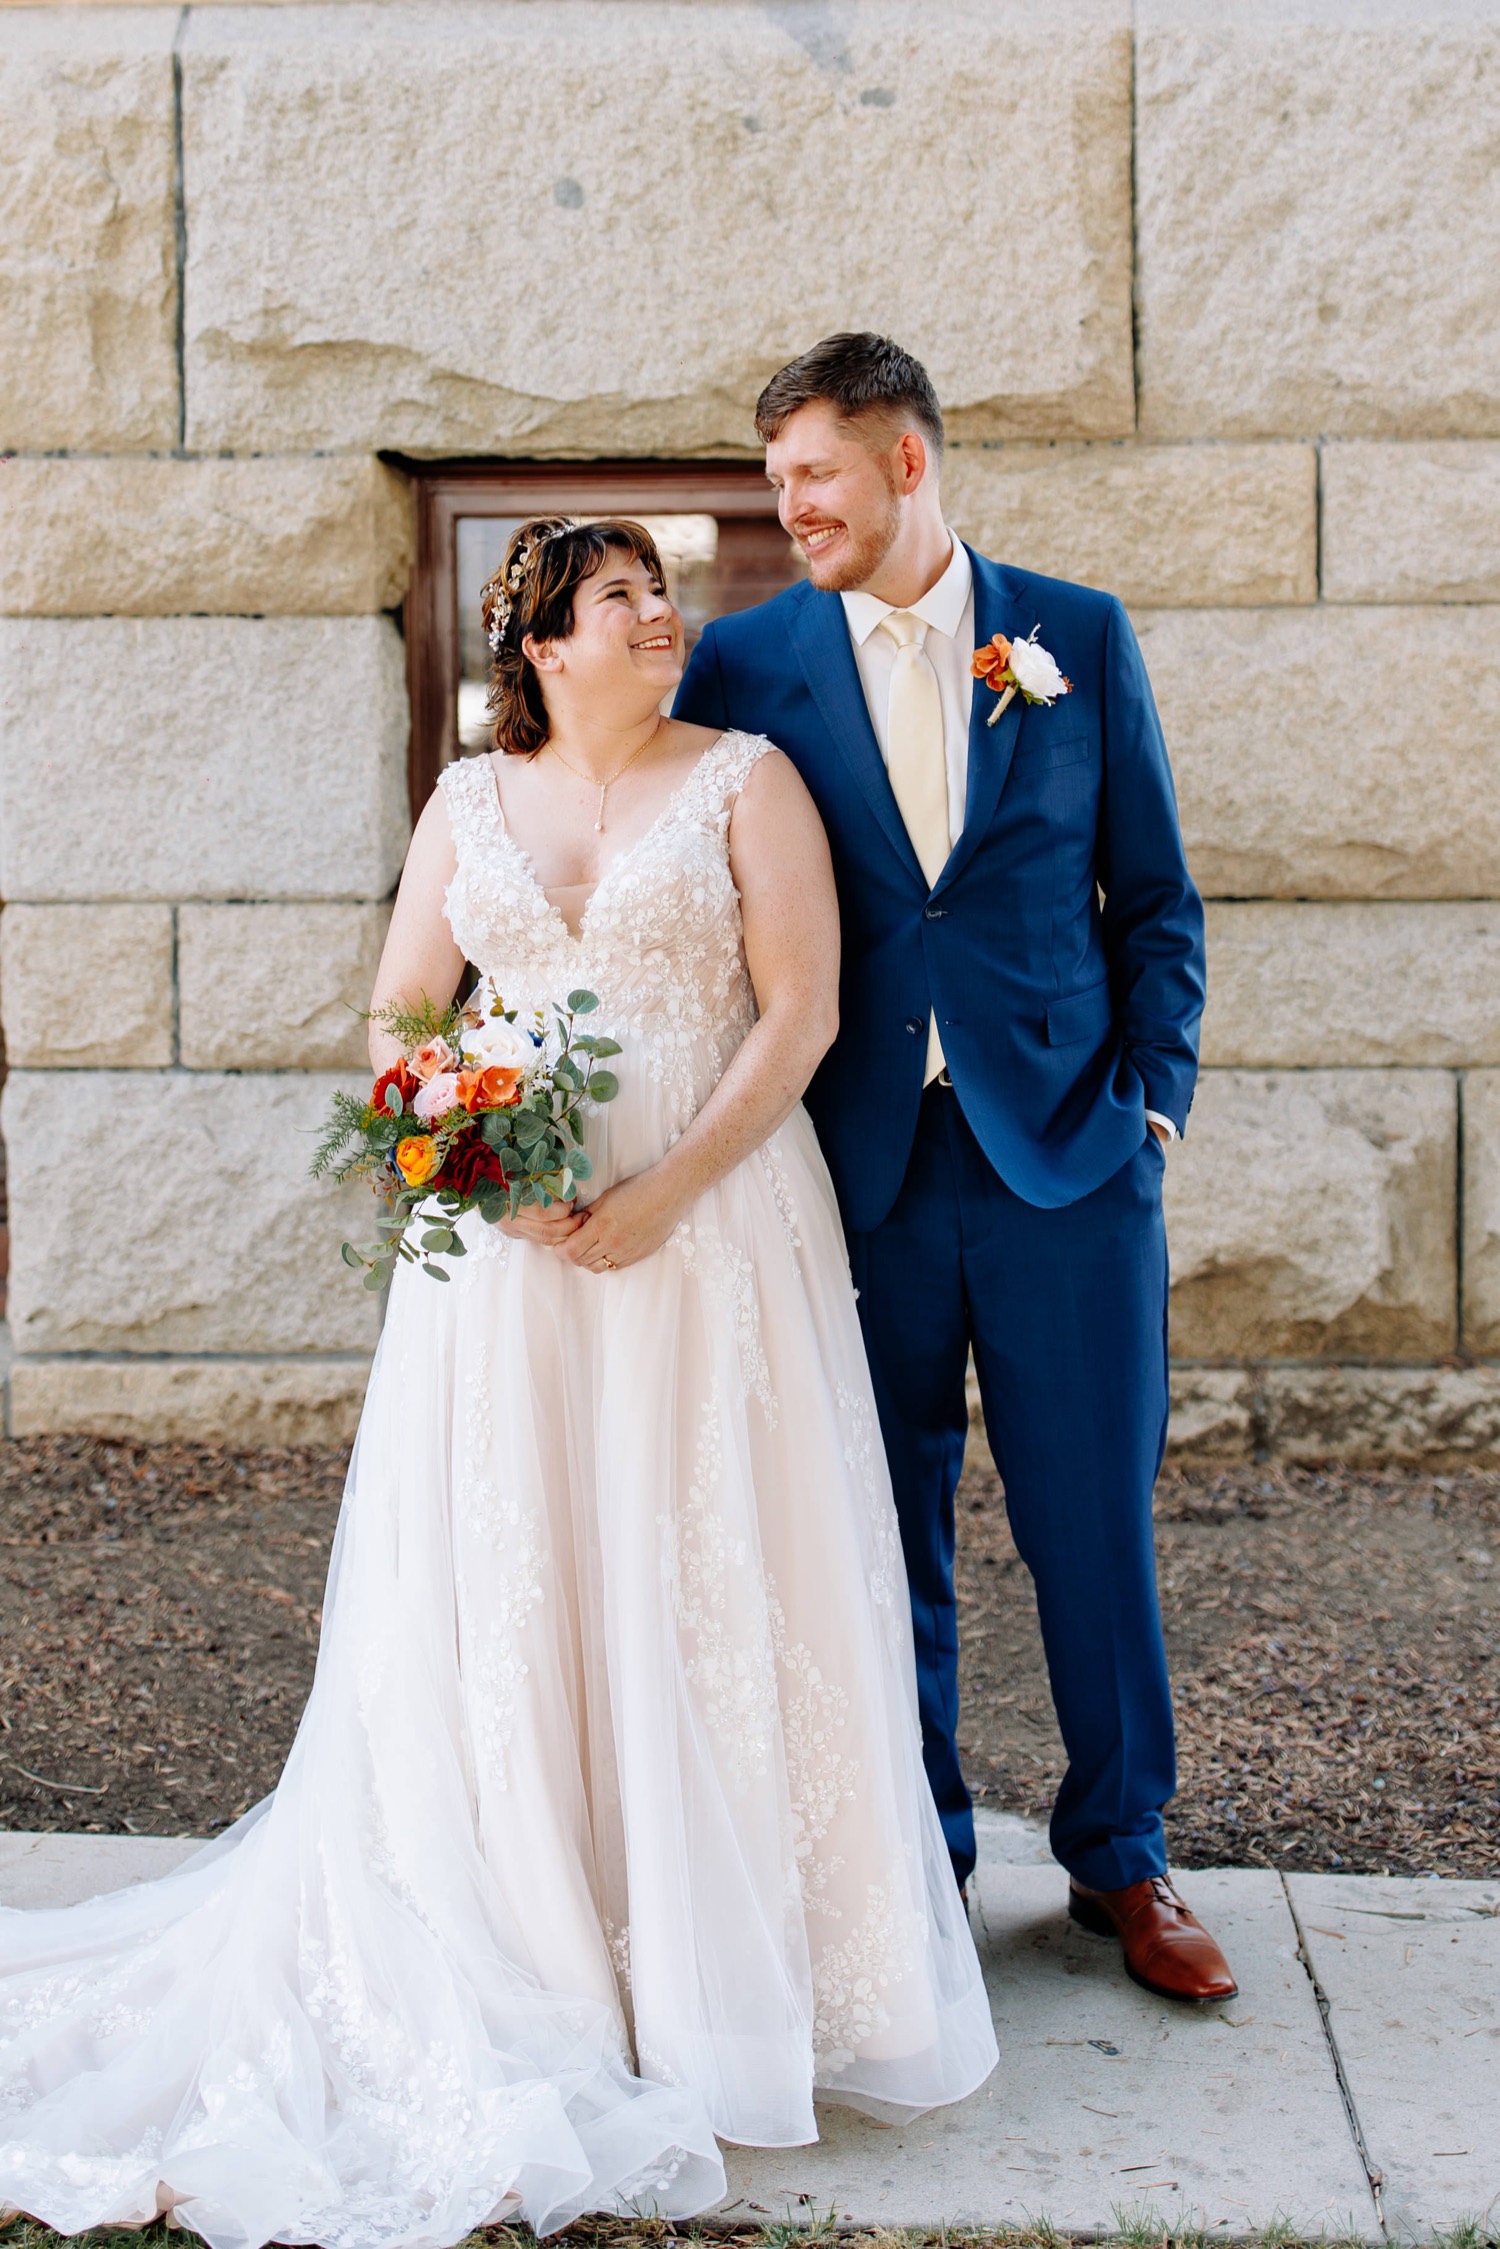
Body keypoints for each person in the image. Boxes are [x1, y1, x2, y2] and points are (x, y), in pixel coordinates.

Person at [0, 516, 996, 2249]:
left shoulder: (747, 779)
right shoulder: (468, 807)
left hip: (714, 1228)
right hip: (512, 1262)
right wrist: (470, 1165)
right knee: (513, 1577)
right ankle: (532, 1948)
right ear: (541, 639)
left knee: (700, 1560)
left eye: (665, 591)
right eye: (626, 597)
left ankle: (712, 1975)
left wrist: (669, 1187)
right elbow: (401, 1017)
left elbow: (805, 1013)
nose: (664, 616)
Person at [675, 333, 1237, 2006]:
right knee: (877, 1513)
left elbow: (1158, 903)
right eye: (776, 485)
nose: (789, 511)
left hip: (1070, 1162)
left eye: (815, 478)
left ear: (907, 462)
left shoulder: (1074, 633)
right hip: (853, 1173)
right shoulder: (745, 664)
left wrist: (1154, 1112)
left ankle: (1123, 1858)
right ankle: (919, 1858)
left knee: (1093, 1526)